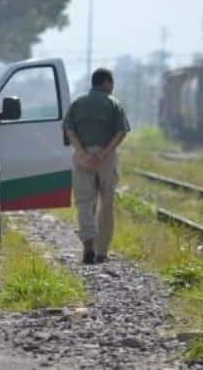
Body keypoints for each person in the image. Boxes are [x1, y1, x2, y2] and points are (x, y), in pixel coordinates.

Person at [63, 68, 130, 264]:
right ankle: (102, 252)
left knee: (84, 203)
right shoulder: (113, 104)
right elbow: (121, 132)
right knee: (106, 204)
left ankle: (88, 247)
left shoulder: (77, 103)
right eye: (112, 83)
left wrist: (83, 152)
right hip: (106, 158)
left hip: (82, 156)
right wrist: (104, 153)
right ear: (107, 83)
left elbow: (69, 130)